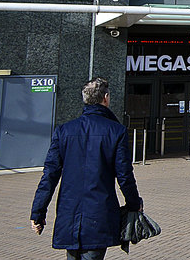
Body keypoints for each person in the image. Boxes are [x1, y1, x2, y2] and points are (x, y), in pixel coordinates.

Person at [31, 77, 142, 260]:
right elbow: (124, 176)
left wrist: (38, 212)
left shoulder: (64, 131)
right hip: (98, 213)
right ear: (105, 98)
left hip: (69, 212)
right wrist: (134, 204)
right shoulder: (116, 131)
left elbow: (49, 175)